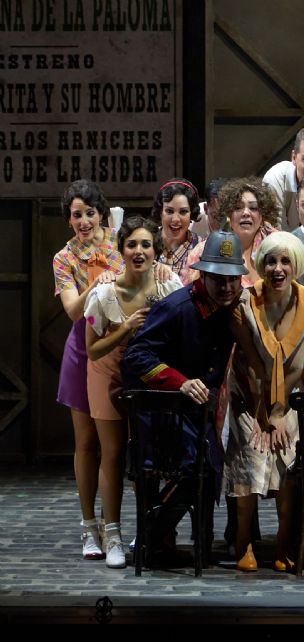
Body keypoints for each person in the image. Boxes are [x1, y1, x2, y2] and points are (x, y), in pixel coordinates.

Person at [224, 231, 304, 572]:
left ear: (296, 266)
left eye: (285, 261)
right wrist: (266, 416)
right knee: (251, 462)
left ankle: (284, 544)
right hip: (249, 396)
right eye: (271, 261)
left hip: (288, 397)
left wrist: (284, 410)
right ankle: (244, 542)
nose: (278, 268)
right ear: (261, 265)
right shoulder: (245, 303)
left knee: (287, 467)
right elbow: (253, 365)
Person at [121, 229, 248, 562]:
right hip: (165, 414)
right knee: (198, 468)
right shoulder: (177, 308)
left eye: (233, 279)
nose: (227, 287)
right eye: (218, 279)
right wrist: (179, 382)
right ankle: (149, 539)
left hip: (201, 414)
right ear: (202, 276)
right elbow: (135, 357)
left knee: (210, 467)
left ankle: (161, 541)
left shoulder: (232, 309)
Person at [84, 216, 182, 568]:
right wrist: (125, 328)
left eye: (146, 245)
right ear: (121, 250)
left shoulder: (169, 287)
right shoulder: (104, 294)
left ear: (156, 250)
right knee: (111, 453)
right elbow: (92, 349)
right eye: (131, 245)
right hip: (108, 371)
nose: (138, 251)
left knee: (149, 455)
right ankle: (111, 534)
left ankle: (151, 529)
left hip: (150, 374)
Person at [53, 179, 124, 562]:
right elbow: (71, 310)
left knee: (114, 446)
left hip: (119, 344)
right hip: (82, 348)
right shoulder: (64, 258)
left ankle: (113, 529)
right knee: (85, 443)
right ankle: (88, 527)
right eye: (76, 215)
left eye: (89, 213)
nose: (83, 221)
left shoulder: (119, 243)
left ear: (101, 214)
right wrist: (96, 285)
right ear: (68, 219)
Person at [187, 177, 281, 288]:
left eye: (253, 208)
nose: (246, 213)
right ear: (228, 214)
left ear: (263, 214)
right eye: (238, 207)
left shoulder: (277, 244)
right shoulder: (203, 251)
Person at [151, 178, 202, 285]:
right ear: (160, 212)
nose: (175, 219)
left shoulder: (202, 248)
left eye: (183, 212)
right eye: (169, 211)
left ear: (191, 214)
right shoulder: (145, 242)